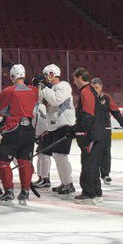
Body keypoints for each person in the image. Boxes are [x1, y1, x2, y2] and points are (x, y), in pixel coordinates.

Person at [0, 63, 38, 206]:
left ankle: (9, 192)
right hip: (29, 129)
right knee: (25, 162)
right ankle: (25, 191)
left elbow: (1, 111)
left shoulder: (9, 91)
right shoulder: (33, 90)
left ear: (12, 76)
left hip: (13, 130)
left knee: (3, 161)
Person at [30, 63, 76, 196]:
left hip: (64, 125)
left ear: (52, 74)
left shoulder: (64, 85)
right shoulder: (50, 88)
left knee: (60, 156)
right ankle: (65, 182)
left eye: (46, 75)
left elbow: (56, 100)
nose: (45, 78)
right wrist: (37, 86)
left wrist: (44, 87)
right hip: (54, 127)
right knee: (54, 155)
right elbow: (39, 100)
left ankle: (69, 184)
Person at [90, 77, 123, 182]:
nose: (95, 90)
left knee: (105, 151)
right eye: (92, 88)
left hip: (105, 129)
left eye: (97, 87)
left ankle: (105, 174)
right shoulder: (87, 98)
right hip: (91, 130)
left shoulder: (107, 98)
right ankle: (92, 173)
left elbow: (116, 113)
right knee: (92, 153)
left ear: (101, 87)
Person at [72, 67, 104, 203]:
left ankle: (88, 193)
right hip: (96, 134)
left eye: (74, 79)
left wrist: (82, 132)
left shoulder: (86, 92)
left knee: (88, 164)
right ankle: (96, 192)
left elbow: (88, 115)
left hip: (91, 135)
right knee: (93, 164)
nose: (74, 82)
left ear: (80, 77)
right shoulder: (89, 91)